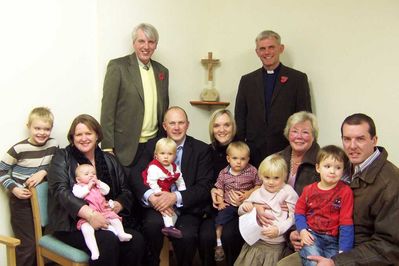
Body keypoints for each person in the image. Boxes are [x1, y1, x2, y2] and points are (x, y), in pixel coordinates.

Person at [278, 113, 399, 266]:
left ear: (374, 140)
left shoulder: (391, 182)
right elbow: (312, 203)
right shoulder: (338, 165)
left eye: (360, 139)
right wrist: (297, 231)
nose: (352, 146)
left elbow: (389, 247)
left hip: (357, 257)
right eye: (347, 139)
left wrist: (337, 262)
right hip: (320, 240)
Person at [47, 114, 145, 266]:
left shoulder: (109, 159)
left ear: (97, 135)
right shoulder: (62, 157)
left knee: (136, 240)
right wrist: (91, 215)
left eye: (88, 133)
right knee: (108, 241)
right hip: (72, 225)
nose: (84, 138)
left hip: (107, 217)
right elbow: (60, 191)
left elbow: (126, 190)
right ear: (72, 138)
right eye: (79, 134)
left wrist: (117, 205)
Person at [130, 106, 213, 266]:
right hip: (157, 205)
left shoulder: (201, 150)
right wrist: (151, 197)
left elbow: (204, 186)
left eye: (181, 123)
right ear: (164, 126)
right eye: (172, 123)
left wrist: (175, 197)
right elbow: (135, 175)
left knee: (186, 236)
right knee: (151, 226)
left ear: (187, 125)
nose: (176, 127)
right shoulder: (152, 146)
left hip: (187, 208)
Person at [235, 30, 312, 168]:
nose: (267, 52)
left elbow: (305, 117)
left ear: (280, 49)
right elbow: (240, 117)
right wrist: (240, 149)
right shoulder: (247, 81)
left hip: (286, 151)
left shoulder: (298, 79)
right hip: (253, 153)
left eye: (271, 47)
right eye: (262, 49)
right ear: (257, 52)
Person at [100, 22, 169, 177]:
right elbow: (107, 109)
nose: (146, 46)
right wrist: (107, 146)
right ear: (134, 43)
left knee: (150, 191)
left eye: (151, 42)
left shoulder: (162, 71)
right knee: (127, 194)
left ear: (156, 45)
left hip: (153, 145)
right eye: (141, 41)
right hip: (125, 147)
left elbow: (164, 109)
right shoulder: (118, 67)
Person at [256, 111, 320, 258]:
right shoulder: (276, 158)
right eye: (294, 131)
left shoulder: (322, 163)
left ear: (313, 135)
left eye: (305, 132)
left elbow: (321, 206)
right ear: (287, 133)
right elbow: (261, 188)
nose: (299, 136)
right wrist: (257, 206)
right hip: (272, 225)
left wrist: (294, 230)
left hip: (303, 228)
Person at [0, 107, 58, 266]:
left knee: (48, 243)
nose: (42, 133)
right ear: (29, 127)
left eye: (46, 129)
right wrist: (14, 188)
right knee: (29, 246)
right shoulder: (19, 149)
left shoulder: (53, 144)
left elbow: (57, 165)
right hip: (22, 201)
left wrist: (43, 172)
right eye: (37, 128)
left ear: (51, 129)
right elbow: (1, 170)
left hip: (44, 201)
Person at [199, 109, 246, 266]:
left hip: (238, 209)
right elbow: (203, 181)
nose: (222, 129)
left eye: (226, 124)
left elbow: (258, 181)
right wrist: (212, 190)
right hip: (213, 208)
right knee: (206, 236)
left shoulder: (244, 149)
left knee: (230, 236)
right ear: (212, 129)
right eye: (217, 125)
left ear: (233, 126)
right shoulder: (207, 151)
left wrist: (246, 195)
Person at [234, 154, 299, 266]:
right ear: (261, 176)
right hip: (255, 243)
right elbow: (240, 211)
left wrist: (279, 229)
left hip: (276, 246)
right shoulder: (258, 192)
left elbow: (295, 216)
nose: (271, 182)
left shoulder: (288, 192)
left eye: (276, 178)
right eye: (267, 177)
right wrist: (246, 207)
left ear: (284, 176)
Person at [295, 145, 354, 266]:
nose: (332, 171)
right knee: (312, 261)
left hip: (333, 241)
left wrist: (344, 252)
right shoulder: (308, 190)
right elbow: (299, 211)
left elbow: (346, 222)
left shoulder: (345, 191)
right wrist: (302, 231)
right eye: (327, 166)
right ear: (318, 168)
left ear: (343, 170)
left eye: (338, 167)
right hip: (312, 236)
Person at [213, 141, 262, 261]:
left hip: (246, 204)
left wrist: (247, 194)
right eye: (235, 158)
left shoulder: (252, 171)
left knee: (252, 221)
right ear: (228, 159)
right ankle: (219, 244)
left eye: (243, 159)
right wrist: (220, 202)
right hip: (229, 204)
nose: (239, 162)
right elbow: (219, 189)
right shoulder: (223, 173)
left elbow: (259, 186)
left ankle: (251, 246)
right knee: (219, 221)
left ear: (248, 159)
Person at [73, 164, 133, 260]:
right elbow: (78, 195)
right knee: (86, 230)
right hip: (88, 216)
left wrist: (99, 183)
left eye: (93, 173)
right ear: (78, 179)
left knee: (115, 218)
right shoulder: (78, 187)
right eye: (87, 174)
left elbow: (106, 191)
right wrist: (88, 186)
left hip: (103, 211)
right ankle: (94, 250)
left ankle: (121, 233)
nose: (91, 176)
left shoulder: (97, 186)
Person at [142, 137, 186, 238]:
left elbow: (179, 179)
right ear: (156, 155)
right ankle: (169, 227)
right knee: (166, 207)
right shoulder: (154, 167)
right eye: (162, 153)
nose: (166, 157)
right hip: (156, 191)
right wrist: (158, 193)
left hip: (166, 191)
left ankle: (170, 226)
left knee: (173, 212)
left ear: (175, 156)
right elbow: (151, 181)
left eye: (170, 154)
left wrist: (182, 190)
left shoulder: (174, 167)